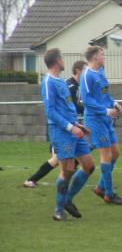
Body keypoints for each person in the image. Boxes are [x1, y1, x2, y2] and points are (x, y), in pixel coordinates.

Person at [40, 48, 95, 221]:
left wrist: (78, 125)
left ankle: (67, 200)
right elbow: (50, 111)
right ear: (57, 61)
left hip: (73, 128)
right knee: (68, 169)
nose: (64, 61)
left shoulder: (61, 81)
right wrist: (71, 128)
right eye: (62, 58)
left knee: (88, 166)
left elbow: (66, 108)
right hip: (61, 131)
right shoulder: (48, 82)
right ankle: (58, 209)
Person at [23, 60, 87, 188]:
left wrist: (75, 123)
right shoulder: (68, 85)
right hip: (61, 129)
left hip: (69, 127)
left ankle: (34, 181)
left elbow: (69, 107)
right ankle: (58, 193)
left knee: (62, 160)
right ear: (78, 71)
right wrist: (72, 125)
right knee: (58, 161)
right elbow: (53, 110)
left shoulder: (66, 82)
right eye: (85, 70)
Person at [80, 46, 122, 204]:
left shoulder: (101, 72)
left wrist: (114, 103)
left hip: (105, 119)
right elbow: (86, 101)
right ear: (94, 57)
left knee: (116, 153)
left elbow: (105, 93)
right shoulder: (87, 75)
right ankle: (108, 194)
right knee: (106, 155)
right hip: (95, 120)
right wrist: (105, 111)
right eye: (102, 55)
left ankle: (100, 187)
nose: (104, 57)